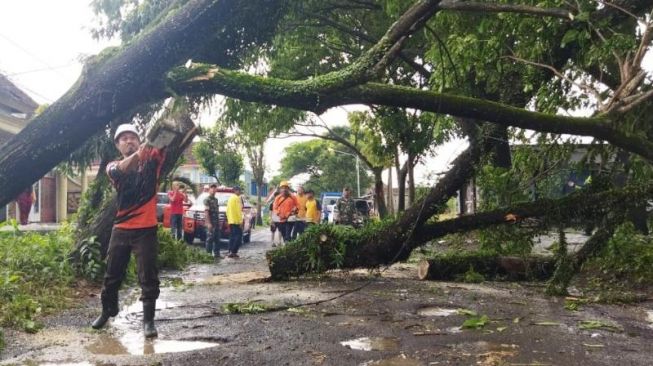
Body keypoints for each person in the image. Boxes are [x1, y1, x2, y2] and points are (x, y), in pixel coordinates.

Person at [92, 123, 165, 338]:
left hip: (147, 229)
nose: (129, 141)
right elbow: (123, 168)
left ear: (139, 140)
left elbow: (165, 140)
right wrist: (139, 153)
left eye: (133, 137)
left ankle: (148, 321)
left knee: (148, 276)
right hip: (121, 228)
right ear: (118, 145)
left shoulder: (152, 158)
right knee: (112, 274)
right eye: (123, 138)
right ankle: (107, 311)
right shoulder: (112, 167)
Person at [204, 184, 221, 259]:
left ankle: (217, 254)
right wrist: (208, 223)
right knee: (210, 238)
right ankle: (208, 255)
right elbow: (206, 212)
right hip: (210, 222)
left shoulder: (216, 200)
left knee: (217, 238)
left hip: (216, 222)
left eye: (215, 188)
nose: (213, 190)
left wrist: (219, 222)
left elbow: (217, 211)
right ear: (209, 190)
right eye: (212, 188)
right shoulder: (207, 200)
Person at [226, 186, 243, 258]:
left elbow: (227, 211)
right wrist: (241, 221)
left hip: (231, 221)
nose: (240, 192)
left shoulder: (230, 199)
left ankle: (230, 251)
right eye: (239, 190)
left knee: (232, 236)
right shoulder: (237, 198)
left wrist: (229, 219)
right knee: (238, 237)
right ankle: (233, 252)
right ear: (236, 191)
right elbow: (238, 211)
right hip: (236, 221)